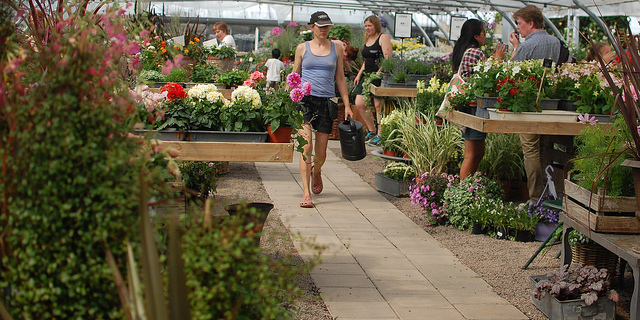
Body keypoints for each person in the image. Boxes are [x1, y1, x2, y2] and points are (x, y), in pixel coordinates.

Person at [291, 11, 354, 208]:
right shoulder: (302, 48)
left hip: (327, 102)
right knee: (306, 146)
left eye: (327, 26)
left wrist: (348, 105)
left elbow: (341, 78)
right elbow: (294, 74)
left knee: (321, 153)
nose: (324, 30)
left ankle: (316, 171)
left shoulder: (336, 47)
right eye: (320, 26)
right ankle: (306, 193)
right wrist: (286, 98)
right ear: (311, 27)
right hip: (305, 101)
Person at [508, 5, 561, 203]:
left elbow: (510, 72)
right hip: (552, 105)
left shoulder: (527, 46)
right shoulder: (557, 42)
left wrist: (515, 48)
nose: (518, 28)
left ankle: (535, 196)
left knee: (531, 148)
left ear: (531, 23)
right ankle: (551, 196)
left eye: (520, 23)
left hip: (529, 105)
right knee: (547, 147)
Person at [452, 19, 506, 179]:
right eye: (483, 33)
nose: (485, 37)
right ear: (476, 35)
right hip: (473, 107)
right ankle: (462, 190)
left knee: (478, 151)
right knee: (471, 153)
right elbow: (487, 75)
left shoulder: (463, 49)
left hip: (469, 106)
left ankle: (468, 186)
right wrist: (496, 60)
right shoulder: (474, 52)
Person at [353, 15, 393, 146]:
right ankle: (372, 130)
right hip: (366, 75)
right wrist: (359, 74)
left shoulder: (383, 38)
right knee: (359, 103)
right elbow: (366, 61)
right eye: (365, 26)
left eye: (369, 25)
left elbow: (388, 59)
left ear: (376, 25)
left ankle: (381, 134)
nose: (367, 28)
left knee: (377, 105)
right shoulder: (367, 39)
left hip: (378, 76)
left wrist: (378, 73)